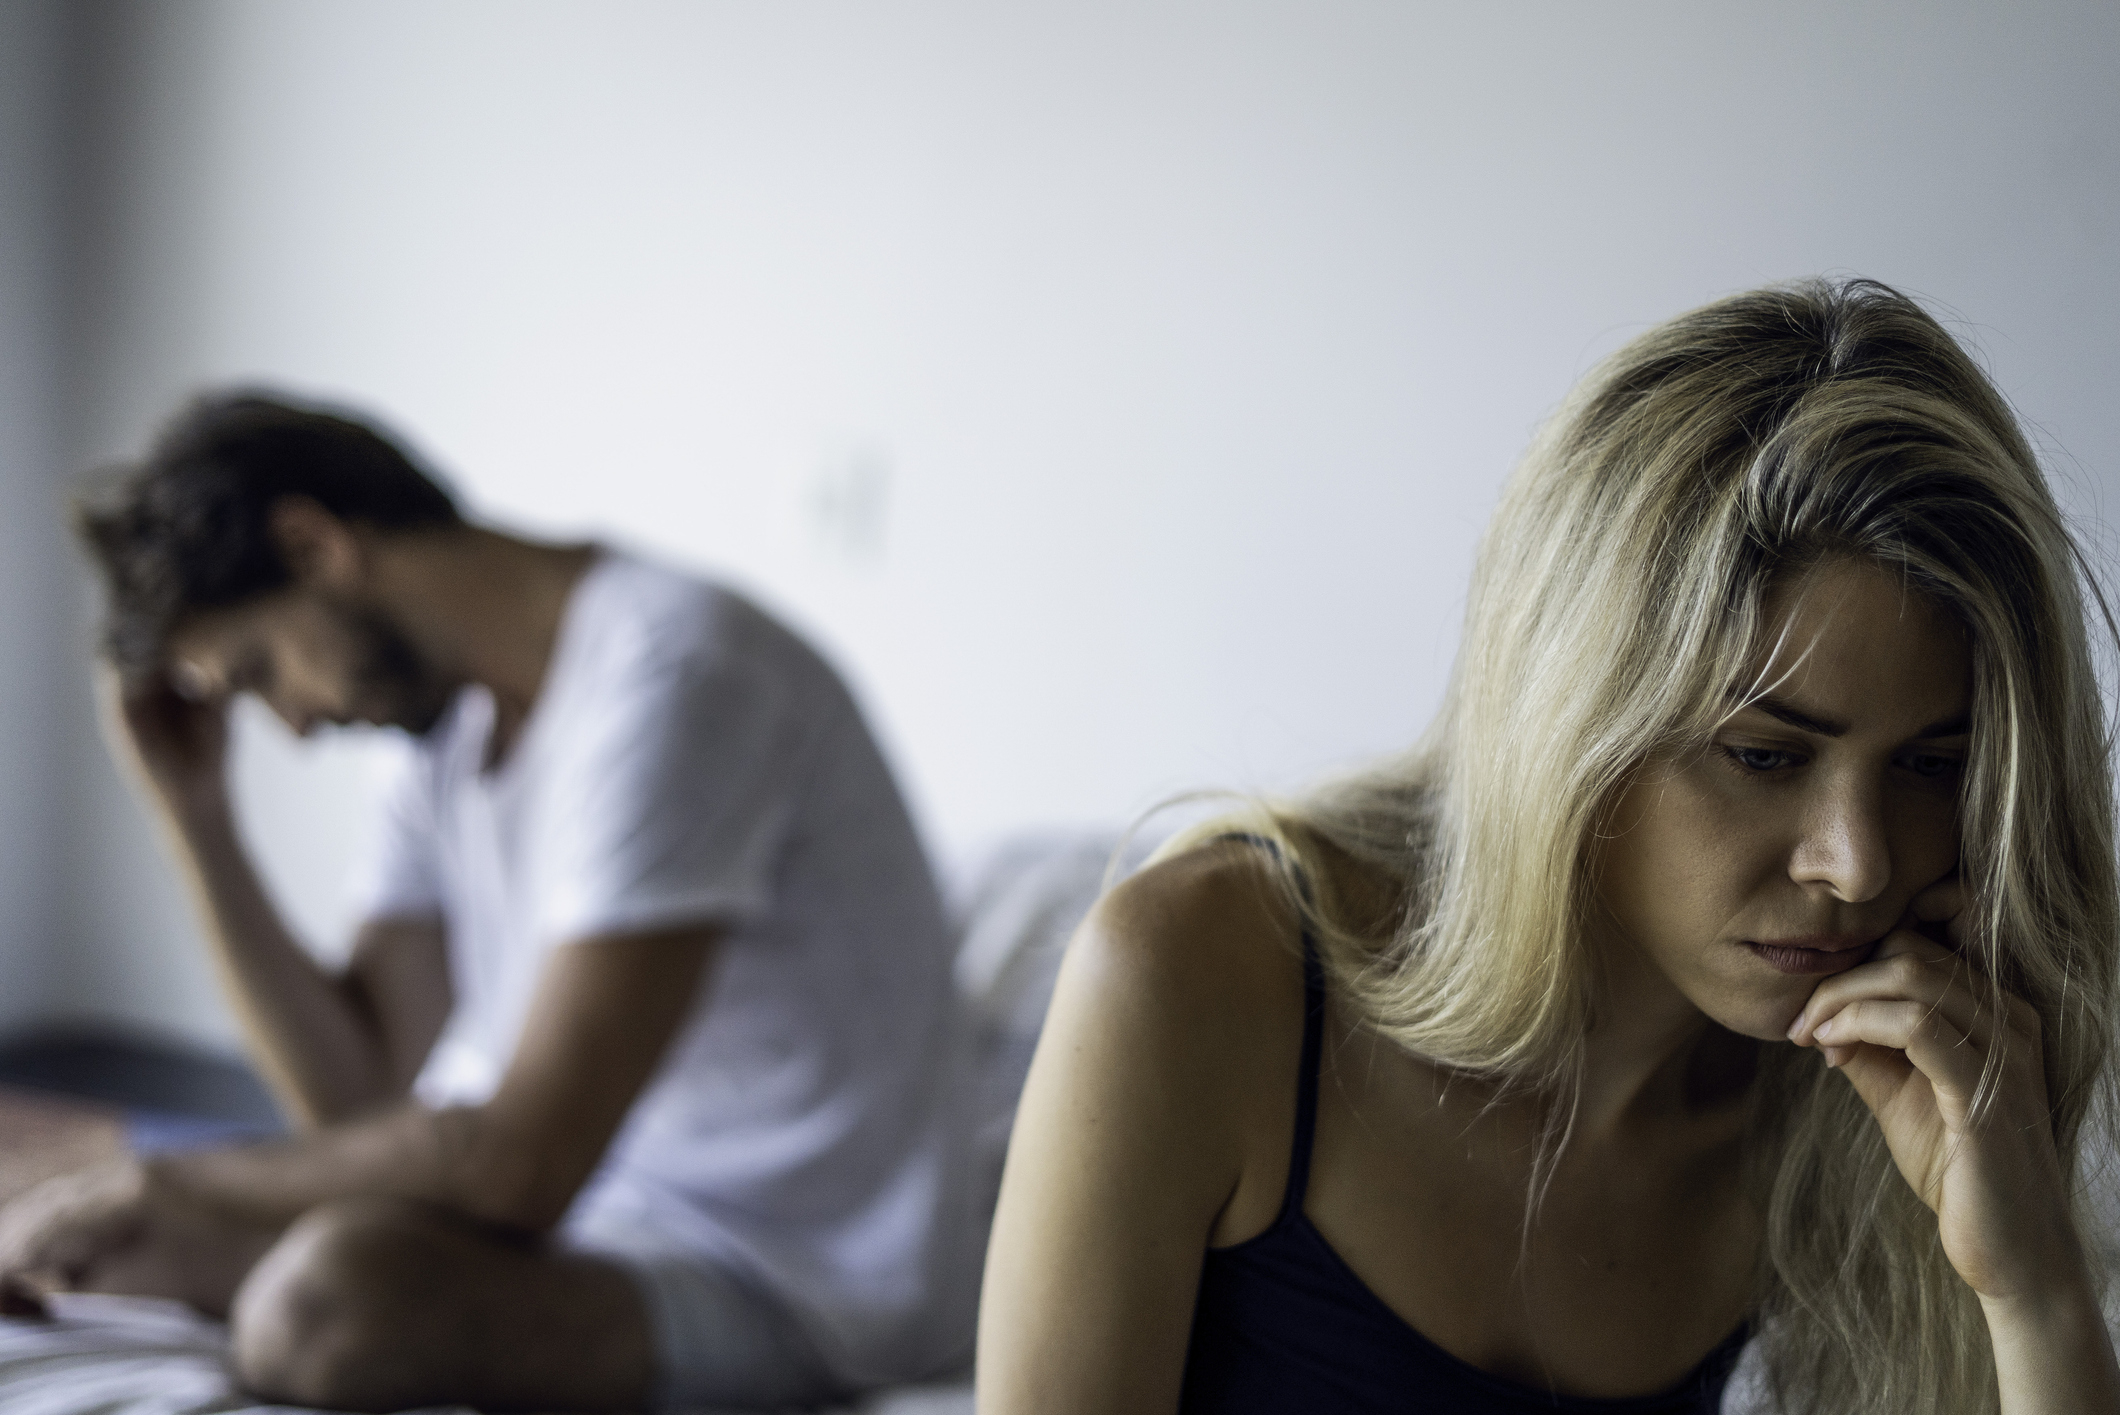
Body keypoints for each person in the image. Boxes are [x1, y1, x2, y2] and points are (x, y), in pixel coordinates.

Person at [978, 279, 2120, 1414]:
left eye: (1929, 765)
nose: (1857, 863)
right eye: (1764, 755)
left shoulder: (1866, 1092)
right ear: (1572, 717)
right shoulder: (1198, 972)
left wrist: (2033, 1291)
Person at [0, 394, 981, 1412]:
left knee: (321, 1307)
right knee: (105, 1241)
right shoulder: (446, 730)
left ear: (312, 544)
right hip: (583, 1216)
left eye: (260, 669)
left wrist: (180, 1178)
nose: (290, 725)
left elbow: (520, 1163)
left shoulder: (678, 675)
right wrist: (194, 816)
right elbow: (360, 1100)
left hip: (788, 1267)